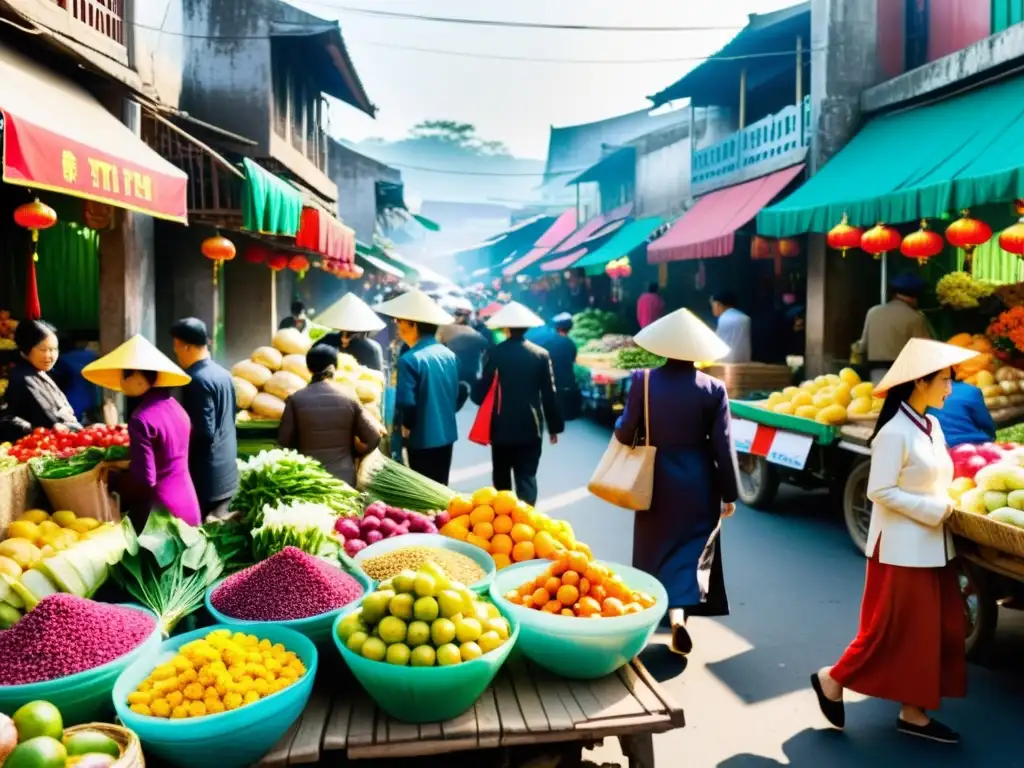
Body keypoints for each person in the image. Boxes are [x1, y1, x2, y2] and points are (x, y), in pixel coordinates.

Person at [811, 338, 978, 744]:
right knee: (890, 632)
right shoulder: (894, 432)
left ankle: (912, 709)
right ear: (921, 381)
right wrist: (936, 510)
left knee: (931, 632)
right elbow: (879, 491)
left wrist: (954, 497)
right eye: (945, 380)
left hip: (933, 546)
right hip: (901, 550)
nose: (950, 389)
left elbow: (933, 479)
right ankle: (832, 679)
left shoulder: (932, 426)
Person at [614, 308, 737, 656]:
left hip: (655, 482)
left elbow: (626, 432)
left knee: (655, 549)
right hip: (699, 482)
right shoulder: (713, 388)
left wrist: (622, 426)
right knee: (691, 550)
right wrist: (729, 493)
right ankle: (679, 615)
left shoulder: (643, 380)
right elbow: (723, 446)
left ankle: (656, 613)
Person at [81, 335, 201, 526]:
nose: (120, 382)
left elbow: (145, 478)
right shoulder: (175, 407)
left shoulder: (140, 419)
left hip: (161, 512)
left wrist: (112, 476)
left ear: (137, 376)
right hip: (188, 501)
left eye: (123, 375)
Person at [473, 302, 563, 505]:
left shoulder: (495, 353)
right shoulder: (540, 355)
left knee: (502, 479)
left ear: (505, 328)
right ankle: (527, 521)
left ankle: (505, 524)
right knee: (527, 476)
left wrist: (477, 397)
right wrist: (554, 427)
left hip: (501, 425)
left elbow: (481, 391)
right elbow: (549, 393)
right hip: (531, 427)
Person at [375, 289, 468, 484]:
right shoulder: (449, 355)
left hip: (422, 437)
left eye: (399, 321)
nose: (397, 326)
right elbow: (460, 391)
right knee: (441, 488)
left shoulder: (409, 359)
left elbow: (407, 402)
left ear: (413, 324)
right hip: (447, 435)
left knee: (424, 491)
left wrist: (407, 426)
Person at [278, 344, 382, 485]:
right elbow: (373, 437)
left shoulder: (296, 399)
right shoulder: (349, 397)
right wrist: (355, 451)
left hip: (308, 479)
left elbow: (284, 441)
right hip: (343, 480)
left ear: (309, 368)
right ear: (335, 367)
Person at [170, 318, 238, 522]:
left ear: (185, 346)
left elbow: (203, 432)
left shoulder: (195, 379)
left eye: (176, 348)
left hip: (206, 475)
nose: (176, 353)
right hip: (227, 471)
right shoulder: (224, 374)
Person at [1, 320, 81, 437]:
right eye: (43, 350)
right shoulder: (23, 378)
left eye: (54, 349)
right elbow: (53, 423)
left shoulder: (41, 372)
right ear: (27, 348)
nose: (49, 356)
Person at [857, 272, 932, 384]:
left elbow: (861, 347)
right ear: (914, 297)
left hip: (875, 374)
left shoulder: (873, 312)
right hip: (902, 377)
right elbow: (924, 349)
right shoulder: (916, 317)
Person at [315, 293, 386, 372]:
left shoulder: (371, 349)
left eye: (351, 333)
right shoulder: (328, 341)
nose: (344, 339)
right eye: (343, 332)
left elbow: (376, 379)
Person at [438, 298, 490, 388]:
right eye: (457, 313)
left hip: (448, 374)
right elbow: (486, 354)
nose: (458, 316)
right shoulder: (476, 334)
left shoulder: (444, 328)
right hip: (469, 376)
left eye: (460, 314)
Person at [928, 378, 996, 447]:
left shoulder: (925, 398)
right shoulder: (971, 391)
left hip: (941, 449)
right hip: (975, 445)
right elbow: (988, 427)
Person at [49, 333, 100, 424]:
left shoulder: (62, 359)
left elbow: (55, 377)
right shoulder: (92, 355)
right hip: (91, 397)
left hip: (73, 399)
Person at [539, 312, 580, 421]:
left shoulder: (549, 342)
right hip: (566, 379)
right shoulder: (571, 343)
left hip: (551, 377)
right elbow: (573, 360)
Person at [710, 292, 752, 363]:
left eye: (713, 305)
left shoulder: (724, 318)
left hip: (725, 363)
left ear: (719, 305)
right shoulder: (745, 318)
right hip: (745, 362)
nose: (712, 309)